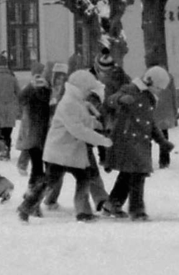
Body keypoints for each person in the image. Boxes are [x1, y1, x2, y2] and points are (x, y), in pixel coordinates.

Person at [18, 69, 111, 222]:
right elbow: (77, 129)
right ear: (81, 87)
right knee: (50, 182)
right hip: (60, 152)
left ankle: (83, 212)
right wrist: (101, 140)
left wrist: (95, 124)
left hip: (70, 151)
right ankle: (27, 207)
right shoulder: (69, 103)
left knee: (82, 178)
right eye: (88, 89)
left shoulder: (76, 101)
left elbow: (82, 120)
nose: (89, 92)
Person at [98, 65, 171, 221]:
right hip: (126, 139)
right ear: (150, 82)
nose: (159, 91)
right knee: (137, 174)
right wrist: (120, 99)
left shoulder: (150, 99)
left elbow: (150, 123)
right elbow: (109, 101)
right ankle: (136, 210)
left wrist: (162, 141)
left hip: (141, 142)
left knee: (128, 174)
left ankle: (112, 204)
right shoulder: (130, 89)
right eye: (158, 88)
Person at [16, 64, 53, 185]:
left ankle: (34, 193)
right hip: (41, 134)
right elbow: (21, 99)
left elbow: (20, 99)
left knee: (39, 168)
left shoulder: (45, 90)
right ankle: (36, 193)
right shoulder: (36, 90)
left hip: (38, 133)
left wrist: (31, 87)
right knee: (40, 168)